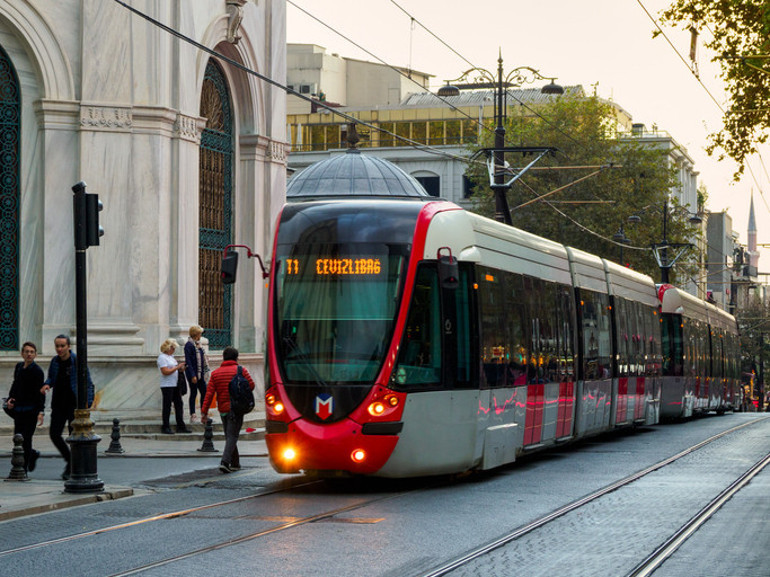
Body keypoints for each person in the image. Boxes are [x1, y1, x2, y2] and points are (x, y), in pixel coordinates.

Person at [42, 334, 95, 480]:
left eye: (62, 346)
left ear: (68, 346)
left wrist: (87, 403)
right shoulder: (55, 361)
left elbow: (88, 382)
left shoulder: (76, 361)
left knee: (74, 436)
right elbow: (52, 377)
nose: (59, 349)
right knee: (54, 434)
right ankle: (70, 459)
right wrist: (47, 384)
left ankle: (74, 467)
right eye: (57, 346)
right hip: (58, 404)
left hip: (74, 405)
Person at [201, 346, 255, 474]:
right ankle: (225, 462)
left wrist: (204, 412)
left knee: (230, 435)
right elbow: (251, 385)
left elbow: (209, 394)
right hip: (237, 408)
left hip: (223, 409)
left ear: (223, 357)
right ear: (236, 357)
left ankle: (235, 463)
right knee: (232, 435)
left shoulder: (215, 373)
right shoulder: (241, 370)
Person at [5, 342, 45, 472]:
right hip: (19, 409)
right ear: (22, 353)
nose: (29, 354)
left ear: (35, 355)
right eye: (27, 351)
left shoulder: (37, 371)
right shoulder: (19, 367)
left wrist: (41, 411)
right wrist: (10, 398)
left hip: (31, 410)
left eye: (32, 352)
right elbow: (15, 384)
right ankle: (31, 455)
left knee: (26, 439)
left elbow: (41, 393)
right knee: (18, 438)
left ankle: (24, 468)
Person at [157, 338, 191, 434]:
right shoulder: (162, 357)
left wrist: (181, 369)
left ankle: (181, 425)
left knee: (179, 404)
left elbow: (174, 370)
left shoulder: (171, 357)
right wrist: (177, 367)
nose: (174, 350)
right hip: (167, 384)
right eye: (173, 348)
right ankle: (165, 426)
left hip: (175, 383)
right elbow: (165, 371)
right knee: (167, 405)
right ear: (168, 348)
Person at [184, 325, 209, 423]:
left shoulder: (198, 344)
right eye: (199, 334)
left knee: (204, 392)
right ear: (196, 334)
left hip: (201, 374)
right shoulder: (189, 345)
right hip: (193, 374)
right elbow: (188, 361)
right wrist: (193, 375)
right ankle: (193, 415)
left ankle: (204, 414)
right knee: (193, 393)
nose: (200, 335)